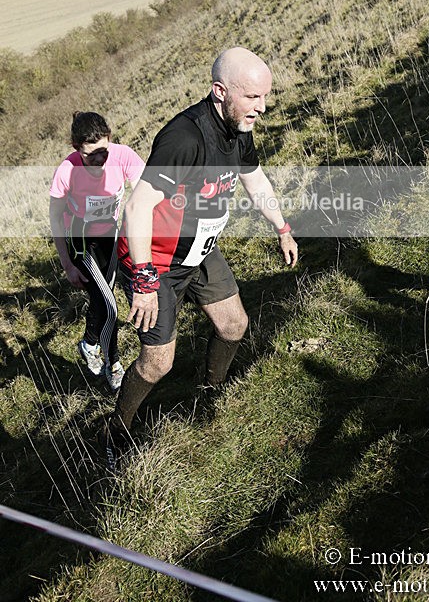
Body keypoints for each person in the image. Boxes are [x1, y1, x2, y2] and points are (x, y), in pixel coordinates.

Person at [102, 47, 298, 464]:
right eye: (252, 97)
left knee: (233, 326)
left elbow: (254, 177)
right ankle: (114, 430)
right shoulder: (184, 138)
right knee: (157, 363)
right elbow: (137, 208)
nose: (262, 108)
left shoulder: (238, 127)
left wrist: (281, 227)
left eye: (265, 97)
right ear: (219, 91)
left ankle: (210, 396)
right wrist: (144, 282)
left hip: (200, 251)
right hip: (155, 262)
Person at [49, 112, 145, 392]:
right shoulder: (67, 170)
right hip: (81, 241)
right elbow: (55, 218)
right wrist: (67, 264)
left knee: (102, 300)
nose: (100, 160)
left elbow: (145, 190)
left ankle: (89, 342)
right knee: (110, 306)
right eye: (90, 155)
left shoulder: (123, 155)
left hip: (110, 237)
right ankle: (112, 364)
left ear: (110, 140)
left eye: (104, 151)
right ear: (76, 148)